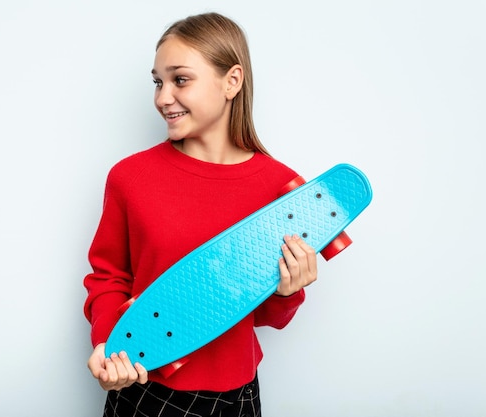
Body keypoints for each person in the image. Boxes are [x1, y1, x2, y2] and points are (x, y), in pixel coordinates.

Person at [84, 12, 317, 417]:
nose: (162, 97)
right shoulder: (129, 177)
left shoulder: (281, 187)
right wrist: (109, 345)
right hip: (144, 386)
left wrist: (288, 290)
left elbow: (266, 316)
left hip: (238, 394)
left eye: (180, 79)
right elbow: (109, 276)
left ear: (232, 81)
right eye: (157, 82)